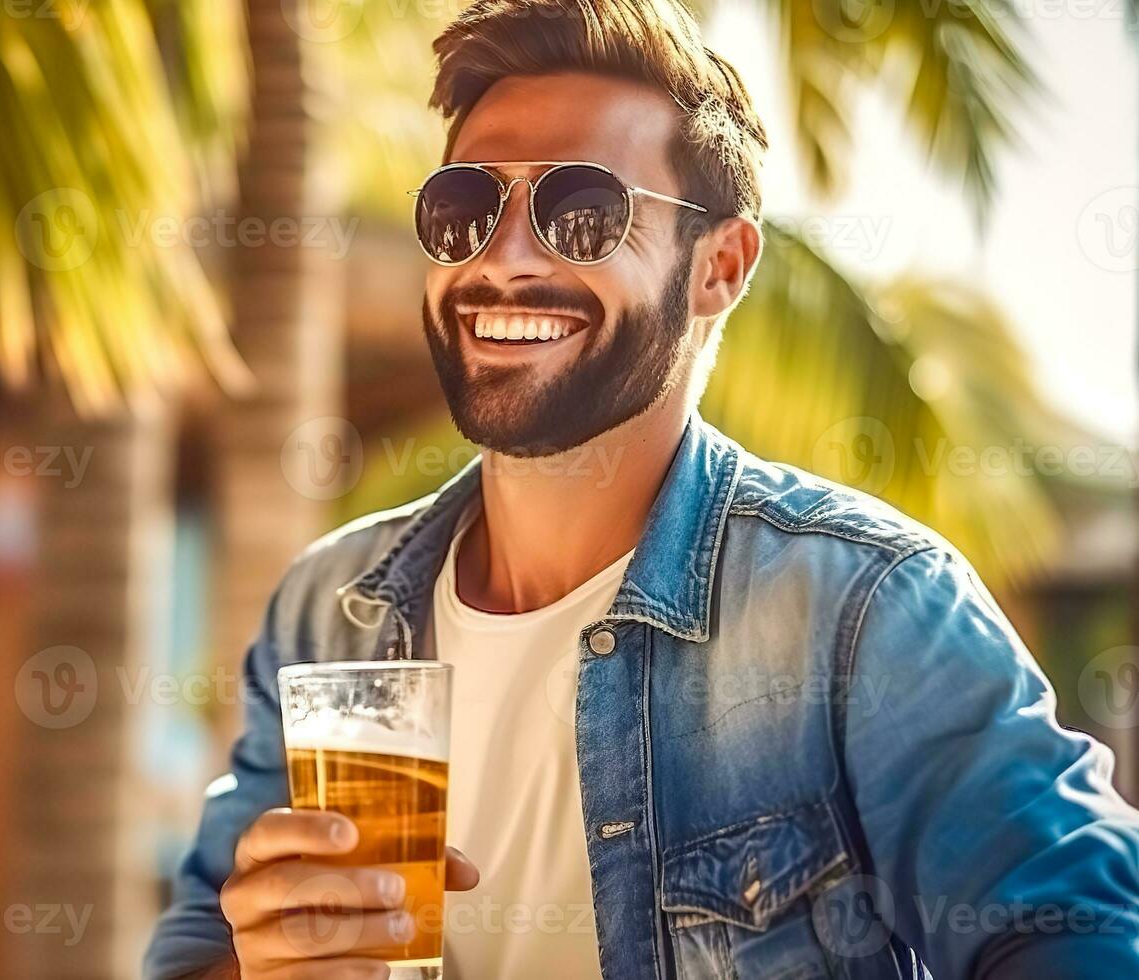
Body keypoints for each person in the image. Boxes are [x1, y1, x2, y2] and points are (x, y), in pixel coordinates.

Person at [144, 2, 1139, 978]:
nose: (504, 258)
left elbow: (1084, 929)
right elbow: (194, 954)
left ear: (720, 265)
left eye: (581, 213)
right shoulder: (330, 606)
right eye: (465, 209)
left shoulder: (864, 608)